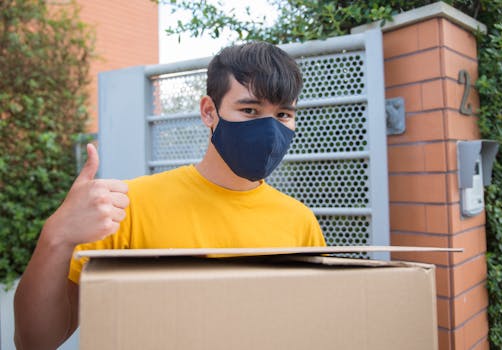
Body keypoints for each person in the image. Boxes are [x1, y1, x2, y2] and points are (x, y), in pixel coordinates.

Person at [13, 42, 326, 349]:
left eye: (284, 114)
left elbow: (313, 330)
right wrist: (56, 236)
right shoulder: (128, 208)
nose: (270, 131)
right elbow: (35, 342)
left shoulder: (300, 222)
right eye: (249, 110)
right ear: (208, 111)